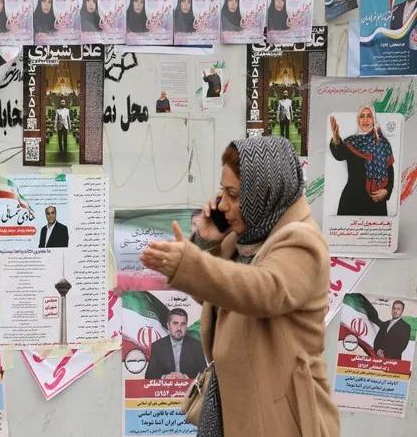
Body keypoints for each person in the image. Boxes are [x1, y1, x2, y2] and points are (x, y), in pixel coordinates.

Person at [140, 136, 340, 436]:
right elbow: (215, 294)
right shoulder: (246, 239)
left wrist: (190, 263)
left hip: (281, 420)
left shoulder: (302, 242)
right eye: (223, 191)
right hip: (236, 407)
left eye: (233, 194)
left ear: (262, 193)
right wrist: (208, 238)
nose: (223, 204)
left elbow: (261, 290)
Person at [329, 105, 394, 216]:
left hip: (375, 202)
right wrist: (336, 140)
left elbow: (390, 173)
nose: (365, 120)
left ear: (374, 119)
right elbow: (339, 154)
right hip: (352, 201)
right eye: (361, 116)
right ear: (357, 120)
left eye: (369, 116)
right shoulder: (351, 142)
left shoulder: (383, 144)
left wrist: (387, 191)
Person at [145, 308, 206, 379]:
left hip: (190, 389)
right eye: (175, 323)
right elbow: (149, 375)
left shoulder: (197, 346)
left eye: (183, 324)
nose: (179, 328)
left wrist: (185, 377)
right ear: (168, 325)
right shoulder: (157, 346)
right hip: (165, 389)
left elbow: (205, 374)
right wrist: (164, 377)